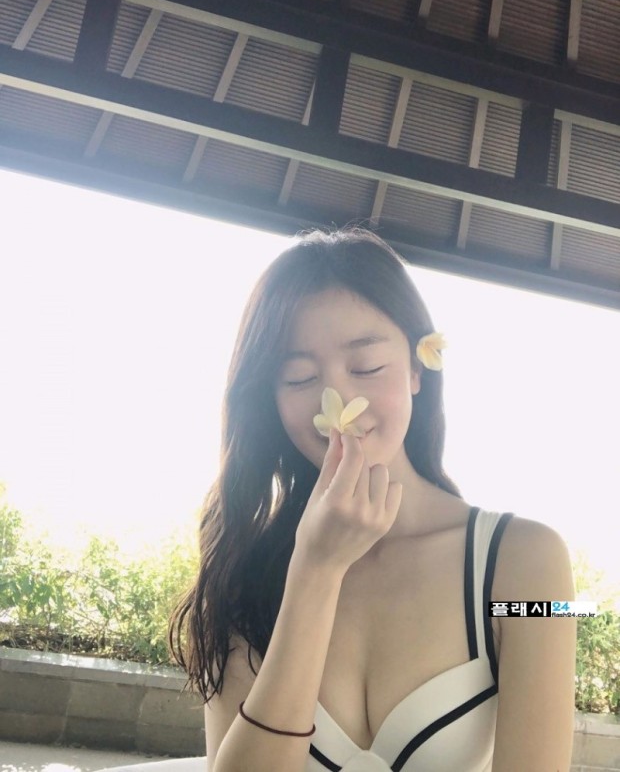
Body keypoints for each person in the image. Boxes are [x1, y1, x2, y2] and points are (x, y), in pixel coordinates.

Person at [100, 227, 577, 772]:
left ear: (417, 368)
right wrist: (316, 571)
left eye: (366, 367)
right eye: (299, 377)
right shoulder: (243, 572)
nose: (337, 405)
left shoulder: (528, 563)